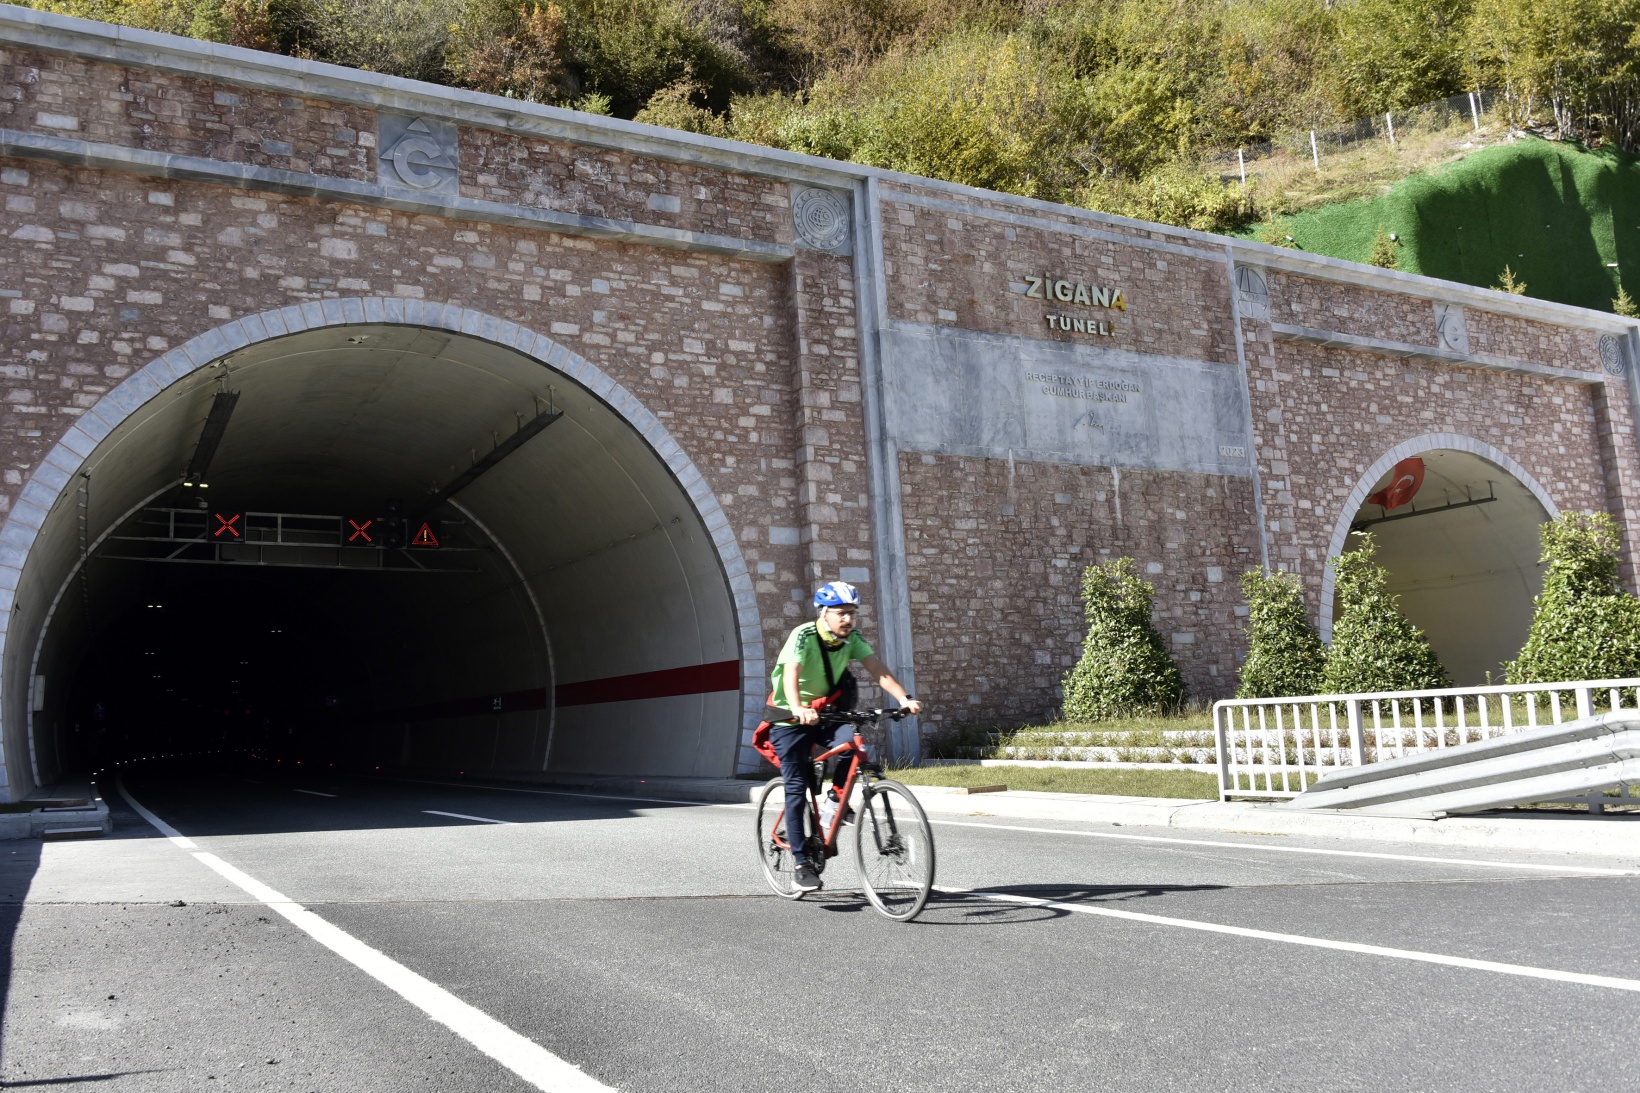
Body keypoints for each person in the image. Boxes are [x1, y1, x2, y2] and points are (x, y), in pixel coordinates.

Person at [766, 581, 922, 892]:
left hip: (825, 712)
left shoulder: (851, 638)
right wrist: (798, 707)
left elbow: (876, 668)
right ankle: (801, 863)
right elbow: (791, 674)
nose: (848, 620)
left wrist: (904, 698)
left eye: (852, 613)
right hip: (788, 717)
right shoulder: (804, 635)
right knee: (796, 788)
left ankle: (835, 799)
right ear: (824, 613)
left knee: (854, 746)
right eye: (841, 613)